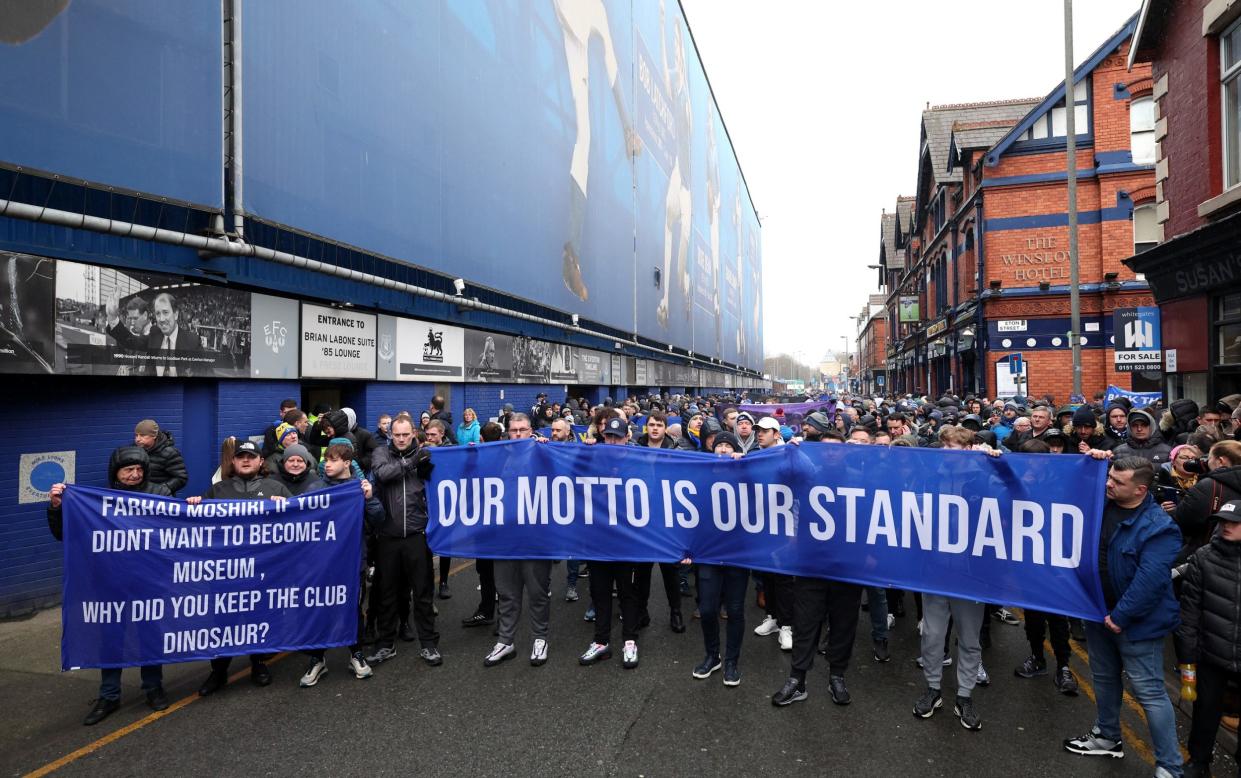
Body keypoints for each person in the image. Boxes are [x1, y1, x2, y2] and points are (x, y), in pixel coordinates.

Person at [1063, 458, 1183, 778]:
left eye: (1117, 481)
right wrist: (1095, 460)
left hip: (1134, 622)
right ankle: (1107, 736)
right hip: (1097, 612)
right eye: (1109, 477)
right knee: (1103, 678)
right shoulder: (1100, 503)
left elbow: (1151, 580)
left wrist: (1121, 616)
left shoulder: (1159, 526)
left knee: (1150, 694)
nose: (1108, 484)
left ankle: (1170, 766)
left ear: (1140, 489)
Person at [47, 447, 172, 725]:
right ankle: (109, 695)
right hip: (109, 584)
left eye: (139, 469)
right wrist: (57, 507)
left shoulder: (160, 494)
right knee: (111, 640)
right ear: (115, 472)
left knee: (149, 636)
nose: (134, 474)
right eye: (128, 469)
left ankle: (154, 687)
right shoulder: (97, 502)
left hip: (149, 582)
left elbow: (176, 530)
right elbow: (64, 534)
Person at [772, 416, 864, 707]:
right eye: (824, 449)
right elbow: (780, 478)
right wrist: (790, 451)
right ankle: (797, 678)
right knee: (805, 622)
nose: (830, 453)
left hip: (847, 566)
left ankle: (837, 675)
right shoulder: (808, 475)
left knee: (843, 624)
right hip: (811, 564)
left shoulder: (859, 479)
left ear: (844, 451)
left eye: (836, 448)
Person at [189, 440, 293, 695]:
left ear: (260, 462)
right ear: (233, 462)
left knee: (259, 619)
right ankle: (219, 671)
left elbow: (301, 521)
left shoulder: (276, 487)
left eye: (251, 456)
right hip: (226, 571)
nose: (246, 460)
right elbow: (195, 525)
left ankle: (258, 664)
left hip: (263, 570)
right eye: (241, 457)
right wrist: (192, 505)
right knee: (223, 622)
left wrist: (287, 506)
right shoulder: (217, 491)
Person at [912, 425, 989, 731]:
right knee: (932, 635)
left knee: (969, 638)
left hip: (971, 574)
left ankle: (964, 695)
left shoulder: (983, 478)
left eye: (954, 446)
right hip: (935, 570)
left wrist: (996, 461)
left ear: (969, 450)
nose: (947, 451)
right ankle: (933, 688)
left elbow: (1018, 491)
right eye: (944, 445)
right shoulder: (929, 478)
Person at [298, 442, 386, 687]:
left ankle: (355, 654)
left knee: (352, 608)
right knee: (320, 608)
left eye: (334, 459)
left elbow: (379, 520)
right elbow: (296, 518)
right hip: (320, 563)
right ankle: (317, 658)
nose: (327, 463)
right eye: (326, 459)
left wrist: (369, 499)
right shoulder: (315, 487)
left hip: (351, 561)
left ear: (347, 463)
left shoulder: (358, 488)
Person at [366, 417, 442, 669]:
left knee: (422, 593)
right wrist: (411, 462)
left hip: (417, 535)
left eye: (405, 434)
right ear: (390, 434)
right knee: (387, 594)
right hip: (388, 536)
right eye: (396, 434)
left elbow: (444, 478)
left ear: (413, 434)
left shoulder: (425, 454)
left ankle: (429, 643)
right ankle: (385, 644)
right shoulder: (381, 453)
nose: (400, 439)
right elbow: (383, 474)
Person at [1176, 498, 1241, 777]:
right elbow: (1189, 611)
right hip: (1212, 652)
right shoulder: (1205, 557)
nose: (1226, 527)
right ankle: (1198, 762)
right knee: (1205, 711)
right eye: (1222, 521)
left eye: (1234, 522)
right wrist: (1187, 656)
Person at [484, 413, 554, 668]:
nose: (517, 434)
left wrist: (550, 449)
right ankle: (506, 641)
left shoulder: (543, 453)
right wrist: (471, 455)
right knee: (507, 593)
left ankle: (540, 638)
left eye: (523, 430)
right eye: (513, 430)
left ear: (530, 431)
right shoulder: (497, 455)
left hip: (535, 536)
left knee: (537, 592)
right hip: (504, 537)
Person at [580, 416, 647, 669]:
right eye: (608, 436)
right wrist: (582, 453)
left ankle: (630, 640)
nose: (612, 441)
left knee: (627, 593)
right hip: (598, 539)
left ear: (627, 438)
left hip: (627, 541)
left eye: (617, 437)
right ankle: (601, 641)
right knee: (600, 592)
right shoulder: (593, 458)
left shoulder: (638, 461)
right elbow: (569, 476)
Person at [690, 431, 748, 687]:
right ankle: (712, 655)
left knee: (735, 610)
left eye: (728, 446)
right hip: (709, 554)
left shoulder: (746, 475)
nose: (723, 450)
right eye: (719, 445)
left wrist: (745, 462)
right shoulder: (701, 475)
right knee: (707, 609)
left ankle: (732, 661)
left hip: (737, 554)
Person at [146, 292, 203, 377]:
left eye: (165, 312)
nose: (161, 319)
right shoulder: (154, 336)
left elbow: (207, 374)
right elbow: (131, 341)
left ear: (176, 314)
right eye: (158, 313)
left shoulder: (193, 341)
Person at [133, 419, 187, 496]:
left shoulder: (169, 453)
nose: (137, 439)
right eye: (136, 435)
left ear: (154, 436)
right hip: (139, 499)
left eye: (142, 435)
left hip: (161, 501)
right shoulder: (134, 451)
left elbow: (181, 478)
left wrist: (161, 489)